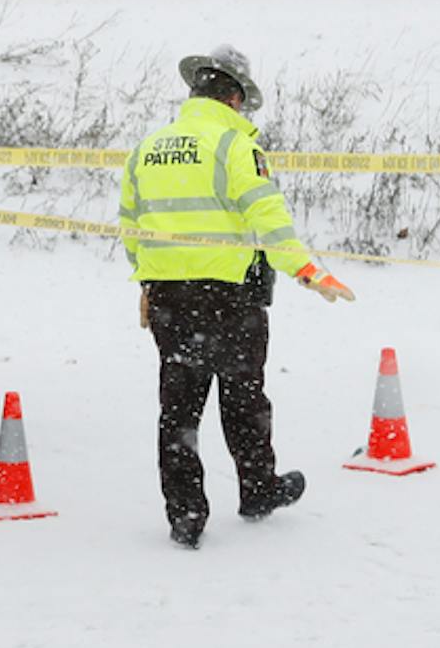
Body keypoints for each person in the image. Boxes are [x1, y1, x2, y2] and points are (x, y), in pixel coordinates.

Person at [121, 46, 354, 549]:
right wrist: (308, 271)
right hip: (228, 297)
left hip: (168, 298)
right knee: (244, 397)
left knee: (178, 409)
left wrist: (146, 280)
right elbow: (268, 218)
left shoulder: (148, 148)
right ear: (232, 98)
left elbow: (130, 224)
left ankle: (185, 515)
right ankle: (258, 489)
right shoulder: (235, 146)